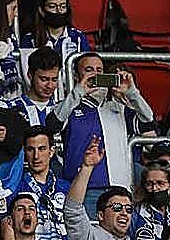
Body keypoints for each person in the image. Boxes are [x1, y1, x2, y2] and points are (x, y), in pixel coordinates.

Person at [53, 53, 156, 213]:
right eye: (88, 70)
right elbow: (52, 124)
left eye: (99, 70)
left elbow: (148, 121)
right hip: (82, 191)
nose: (95, 74)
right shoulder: (69, 106)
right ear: (76, 75)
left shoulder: (119, 108)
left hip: (119, 191)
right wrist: (78, 91)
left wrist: (132, 93)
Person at [11, 125, 69, 240]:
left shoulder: (67, 187)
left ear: (52, 151)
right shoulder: (13, 186)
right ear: (25, 152)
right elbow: (7, 229)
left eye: (42, 149)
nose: (36, 156)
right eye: (31, 149)